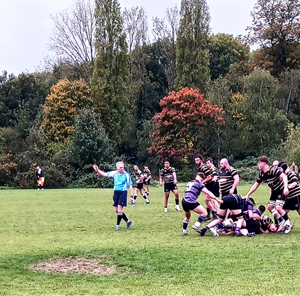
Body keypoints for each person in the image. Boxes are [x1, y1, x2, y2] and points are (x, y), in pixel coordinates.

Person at [243, 156, 290, 233]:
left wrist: (286, 188)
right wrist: (247, 194)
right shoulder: (261, 173)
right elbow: (256, 184)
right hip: (274, 191)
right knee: (270, 207)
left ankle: (288, 223)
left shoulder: (272, 170)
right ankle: (282, 221)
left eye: (259, 163)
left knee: (278, 207)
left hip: (280, 189)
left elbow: (284, 176)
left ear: (264, 163)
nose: (258, 165)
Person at [93, 161, 133, 231]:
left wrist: (132, 196)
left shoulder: (127, 175)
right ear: (117, 168)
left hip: (123, 192)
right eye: (120, 167)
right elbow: (105, 174)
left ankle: (117, 225)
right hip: (116, 193)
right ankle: (128, 221)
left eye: (123, 167)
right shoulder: (114, 173)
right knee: (117, 211)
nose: (122, 168)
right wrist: (98, 170)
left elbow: (130, 186)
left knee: (120, 209)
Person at [278, 162, 299, 234]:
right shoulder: (283, 175)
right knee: (284, 211)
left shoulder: (291, 173)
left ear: (283, 168)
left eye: (280, 168)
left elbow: (295, 183)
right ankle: (288, 225)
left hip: (295, 196)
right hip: (289, 197)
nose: (279, 170)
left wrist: (287, 187)